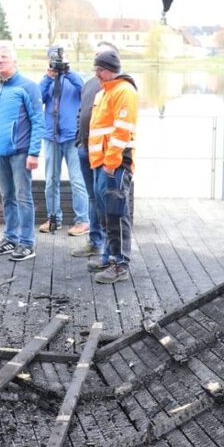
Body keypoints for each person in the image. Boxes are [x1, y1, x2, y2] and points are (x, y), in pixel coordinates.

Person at [0, 43, 45, 262]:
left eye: (4, 57)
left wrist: (34, 152)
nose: (0, 61)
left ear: (14, 61)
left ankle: (27, 243)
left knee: (23, 197)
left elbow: (39, 121)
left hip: (21, 152)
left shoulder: (28, 87)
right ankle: (10, 238)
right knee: (6, 196)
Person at [87, 48, 138, 284]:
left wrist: (111, 163)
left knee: (117, 214)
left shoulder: (123, 91)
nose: (96, 75)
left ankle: (120, 264)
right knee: (106, 213)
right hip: (103, 164)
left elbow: (121, 132)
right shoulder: (107, 91)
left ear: (108, 71)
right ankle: (110, 258)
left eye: (99, 71)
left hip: (114, 166)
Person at [70, 42, 118, 264]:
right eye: (95, 56)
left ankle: (110, 252)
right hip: (84, 148)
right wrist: (79, 139)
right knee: (92, 197)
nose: (97, 62)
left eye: (101, 57)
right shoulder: (90, 84)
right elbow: (82, 111)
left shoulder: (117, 86)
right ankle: (95, 241)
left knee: (105, 200)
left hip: (105, 154)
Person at [38, 45, 90, 237]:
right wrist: (48, 77)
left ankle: (83, 221)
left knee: (78, 180)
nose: (58, 63)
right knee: (51, 181)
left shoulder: (75, 77)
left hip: (72, 137)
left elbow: (85, 90)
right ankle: (54, 218)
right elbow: (37, 98)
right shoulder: (48, 81)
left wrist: (68, 72)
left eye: (61, 59)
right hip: (51, 136)